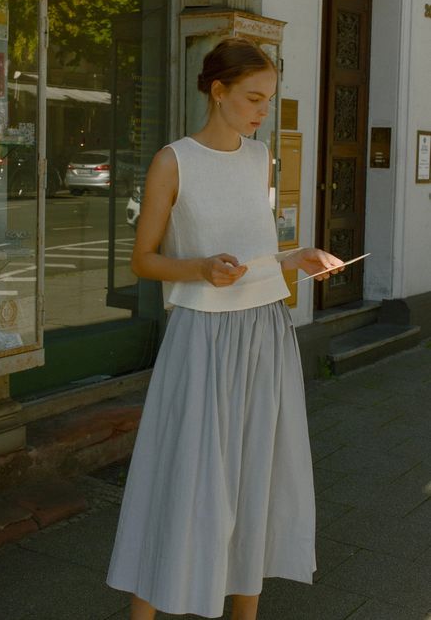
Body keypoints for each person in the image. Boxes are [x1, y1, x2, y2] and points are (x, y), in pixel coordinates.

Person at [106, 37, 344, 620]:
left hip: (267, 330)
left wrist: (294, 258)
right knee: (185, 476)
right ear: (218, 92)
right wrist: (199, 269)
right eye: (253, 98)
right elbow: (143, 259)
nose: (262, 110)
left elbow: (252, 246)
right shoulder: (173, 160)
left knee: (258, 472)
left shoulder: (259, 156)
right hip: (203, 337)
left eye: (269, 99)